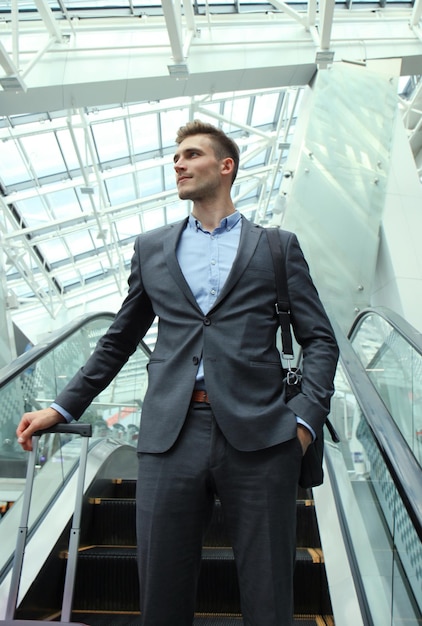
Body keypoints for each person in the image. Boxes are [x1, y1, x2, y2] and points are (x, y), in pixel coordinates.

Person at [16, 120, 339, 626]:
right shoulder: (152, 248)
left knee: (269, 595)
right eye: (175, 158)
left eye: (191, 155)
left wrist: (303, 423)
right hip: (170, 437)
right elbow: (120, 338)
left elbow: (320, 338)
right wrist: (61, 407)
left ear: (225, 166)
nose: (179, 165)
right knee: (160, 598)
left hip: (263, 438)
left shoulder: (277, 246)